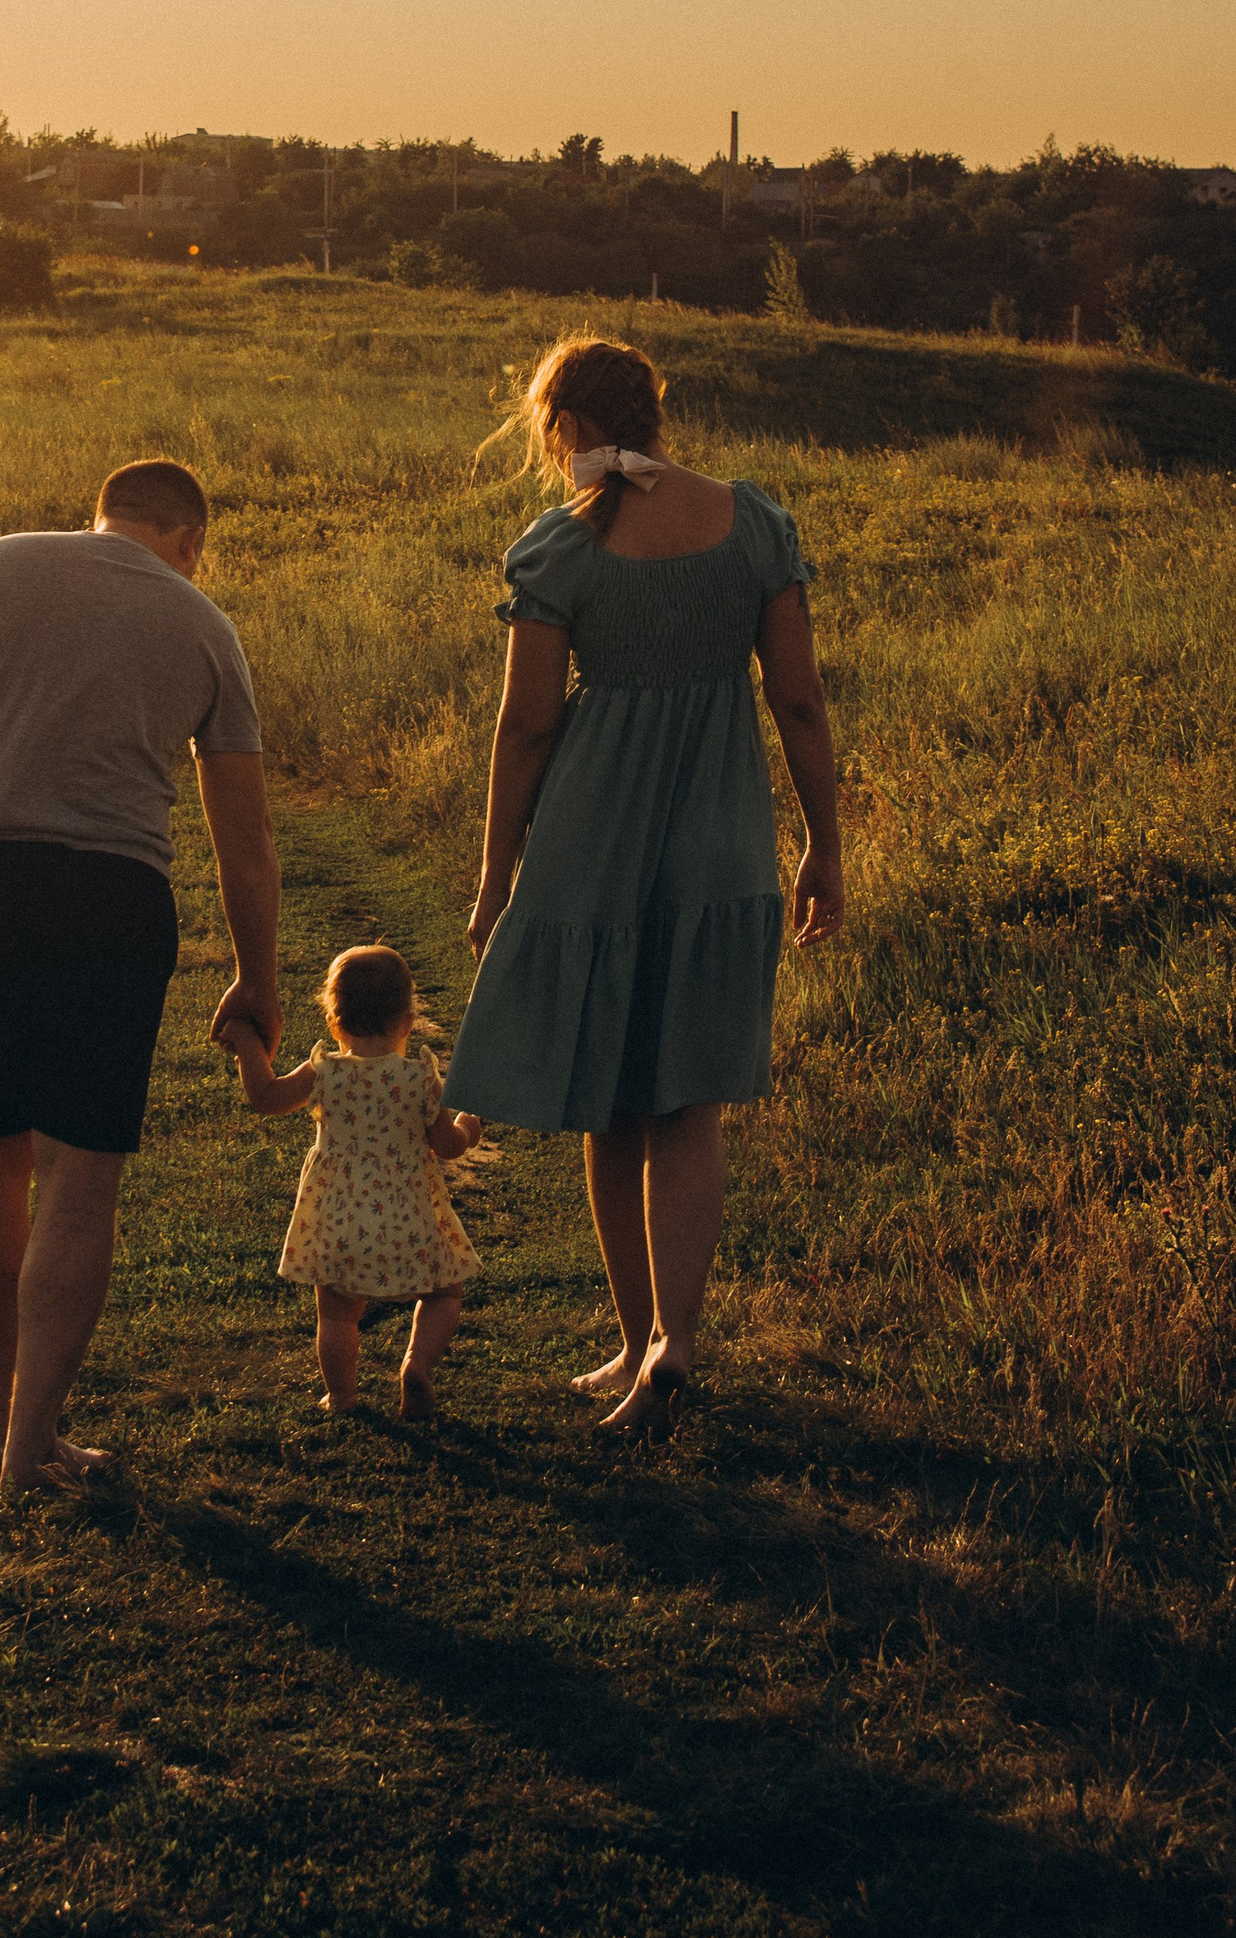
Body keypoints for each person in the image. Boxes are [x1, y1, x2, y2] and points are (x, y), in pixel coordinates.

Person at [0, 456, 282, 1492]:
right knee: (80, 1176)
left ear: (100, 516)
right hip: (111, 906)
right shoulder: (205, 624)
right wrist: (257, 976)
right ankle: (31, 1442)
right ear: (188, 539)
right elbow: (245, 838)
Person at [446, 335, 842, 1440]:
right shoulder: (755, 523)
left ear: (565, 426)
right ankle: (670, 1340)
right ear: (654, 413)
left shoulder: (560, 546)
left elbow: (526, 725)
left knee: (610, 1105)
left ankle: (634, 1340)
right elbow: (800, 700)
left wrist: (495, 873)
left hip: (592, 837)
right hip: (720, 836)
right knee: (688, 1104)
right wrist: (824, 843)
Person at [218, 944, 482, 1418]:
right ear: (407, 1020)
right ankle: (416, 1364)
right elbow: (446, 1145)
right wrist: (467, 1128)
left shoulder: (325, 1072)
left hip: (339, 1221)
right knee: (444, 1292)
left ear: (333, 1021)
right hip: (410, 1220)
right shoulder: (419, 1079)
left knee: (337, 1313)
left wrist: (245, 1040)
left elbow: (265, 1095)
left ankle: (341, 1395)